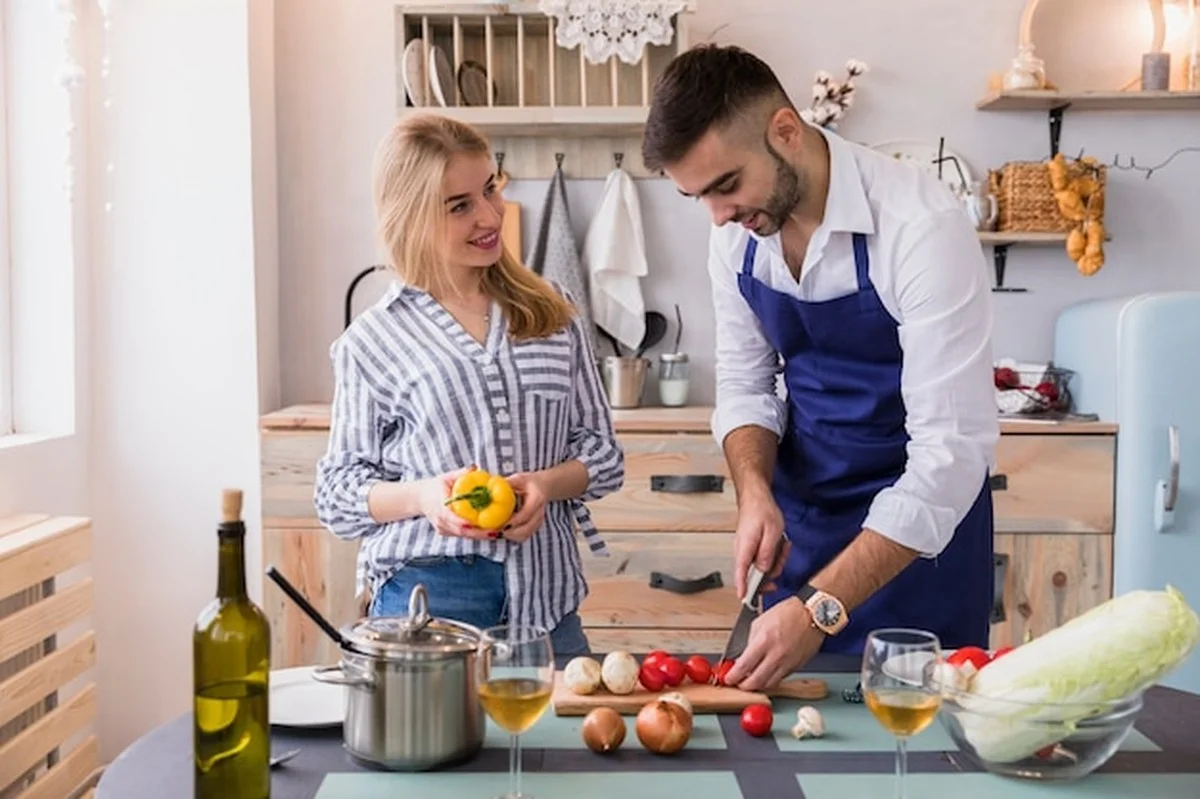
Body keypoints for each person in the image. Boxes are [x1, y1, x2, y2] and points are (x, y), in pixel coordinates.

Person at [641, 45, 999, 689]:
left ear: (786, 131)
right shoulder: (736, 238)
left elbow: (951, 454)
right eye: (698, 196)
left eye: (726, 185)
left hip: (920, 543)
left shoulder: (920, 227)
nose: (718, 216)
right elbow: (747, 388)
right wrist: (754, 494)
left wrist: (822, 606)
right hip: (805, 528)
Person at [314, 114, 624, 656]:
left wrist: (546, 487)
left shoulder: (553, 314)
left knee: (563, 743)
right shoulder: (374, 340)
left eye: (489, 190)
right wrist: (425, 497)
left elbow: (603, 456)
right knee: (435, 746)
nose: (489, 217)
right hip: (428, 605)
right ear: (411, 218)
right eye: (459, 206)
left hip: (548, 608)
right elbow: (337, 496)